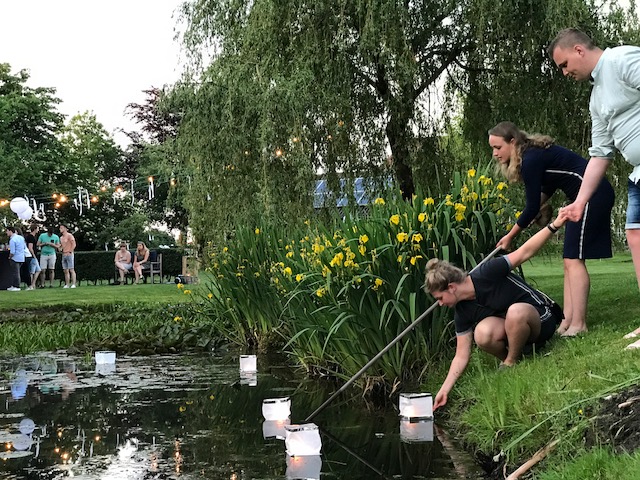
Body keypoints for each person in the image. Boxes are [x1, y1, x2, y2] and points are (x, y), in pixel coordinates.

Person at [548, 28, 640, 349]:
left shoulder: (621, 60)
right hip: (638, 175)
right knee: (635, 236)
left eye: (564, 64)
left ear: (578, 50)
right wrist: (580, 202)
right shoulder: (596, 97)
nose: (564, 73)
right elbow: (600, 155)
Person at [426, 210, 569, 410]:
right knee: (482, 333)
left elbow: (525, 252)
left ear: (451, 287)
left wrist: (554, 225)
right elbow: (461, 355)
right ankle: (518, 358)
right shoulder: (462, 311)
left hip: (540, 317)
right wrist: (444, 390)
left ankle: (510, 362)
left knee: (515, 312)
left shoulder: (488, 272)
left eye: (440, 298)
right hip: (513, 326)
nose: (440, 304)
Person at [488, 121, 614, 337]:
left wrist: (510, 236)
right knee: (569, 260)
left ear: (512, 142)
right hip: (583, 198)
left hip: (593, 196)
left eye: (498, 147)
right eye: (493, 148)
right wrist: (532, 213)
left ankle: (579, 324)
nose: (495, 153)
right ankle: (566, 322)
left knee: (574, 260)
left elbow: (531, 207)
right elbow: (549, 186)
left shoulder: (530, 160)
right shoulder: (532, 155)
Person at [6, 226, 26, 291]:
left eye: (7, 231)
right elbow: (24, 247)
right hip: (21, 257)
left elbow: (12, 252)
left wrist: (10, 257)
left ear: (10, 231)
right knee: (16, 272)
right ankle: (14, 285)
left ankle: (17, 286)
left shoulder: (12, 240)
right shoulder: (21, 238)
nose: (6, 233)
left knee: (15, 273)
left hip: (15, 258)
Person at [24, 224, 42, 290]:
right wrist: (33, 255)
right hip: (31, 256)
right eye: (37, 228)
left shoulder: (34, 237)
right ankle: (31, 285)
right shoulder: (30, 237)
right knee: (32, 271)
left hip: (33, 255)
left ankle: (33, 284)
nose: (38, 230)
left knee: (38, 270)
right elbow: (30, 247)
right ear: (35, 229)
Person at [59, 224, 77, 288]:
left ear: (65, 228)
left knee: (71, 269)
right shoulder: (61, 238)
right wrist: (60, 248)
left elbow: (74, 244)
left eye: (61, 228)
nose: (60, 229)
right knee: (65, 270)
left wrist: (70, 251)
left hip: (69, 254)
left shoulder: (69, 235)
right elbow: (61, 246)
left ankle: (73, 284)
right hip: (64, 254)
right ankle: (67, 284)